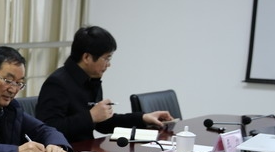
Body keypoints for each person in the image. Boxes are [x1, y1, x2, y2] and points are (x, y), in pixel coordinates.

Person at [36, 26, 173, 143]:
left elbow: (103, 123)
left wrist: (142, 118)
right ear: (87, 57)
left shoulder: (91, 79)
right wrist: (90, 117)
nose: (108, 65)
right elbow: (48, 128)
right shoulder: (57, 83)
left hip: (86, 150)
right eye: (106, 58)